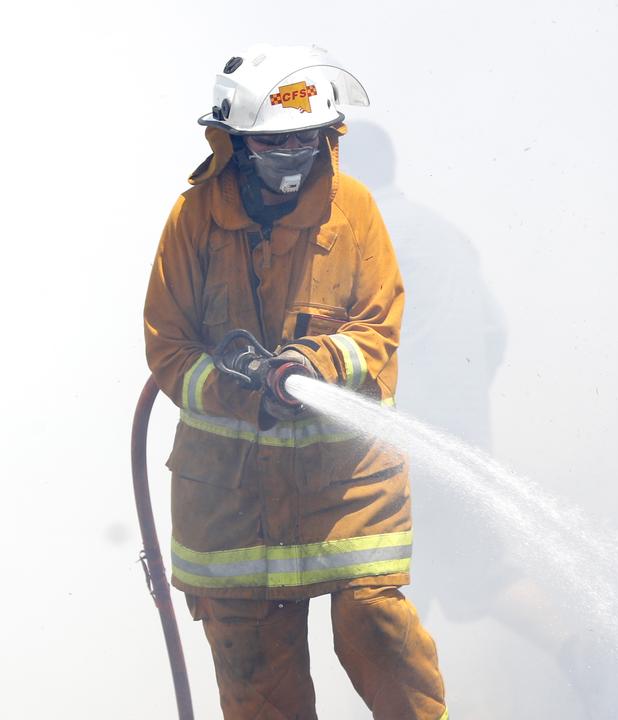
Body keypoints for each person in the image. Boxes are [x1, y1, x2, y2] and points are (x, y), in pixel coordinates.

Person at [143, 44, 447, 720]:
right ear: (234, 143)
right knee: (258, 681)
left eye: (307, 140)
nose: (293, 157)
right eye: (274, 143)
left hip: (344, 485)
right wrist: (233, 382)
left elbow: (378, 327)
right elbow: (167, 346)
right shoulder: (192, 220)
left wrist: (317, 365)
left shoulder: (355, 211)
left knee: (377, 630)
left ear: (328, 136)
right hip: (231, 499)